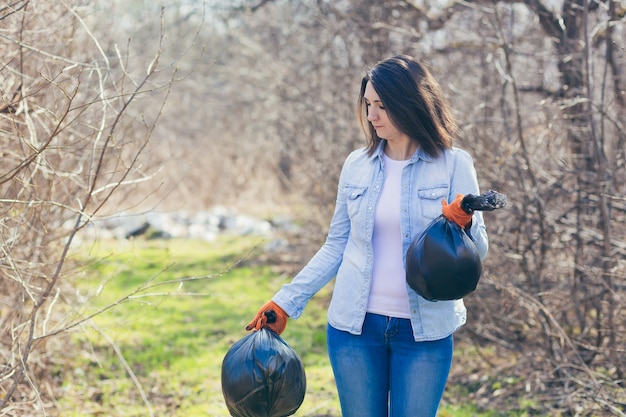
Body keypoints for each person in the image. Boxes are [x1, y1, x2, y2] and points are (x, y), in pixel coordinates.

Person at [246, 55, 489, 417]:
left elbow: (480, 251)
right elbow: (336, 245)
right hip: (354, 331)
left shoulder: (454, 164)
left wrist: (462, 225)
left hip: (424, 333)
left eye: (382, 106)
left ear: (411, 104)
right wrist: (284, 303)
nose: (372, 116)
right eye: (368, 105)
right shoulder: (356, 166)